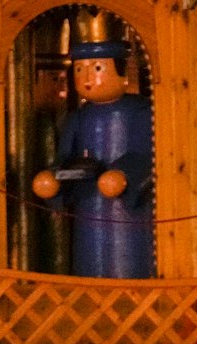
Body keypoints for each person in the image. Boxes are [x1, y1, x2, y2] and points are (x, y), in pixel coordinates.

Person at [30, 12, 154, 279]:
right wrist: (55, 179)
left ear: (121, 72)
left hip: (131, 217)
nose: (86, 77)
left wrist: (125, 174)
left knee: (129, 264)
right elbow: (67, 157)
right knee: (90, 263)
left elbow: (151, 156)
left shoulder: (142, 111)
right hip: (90, 211)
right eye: (79, 69)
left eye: (97, 68)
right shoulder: (79, 117)